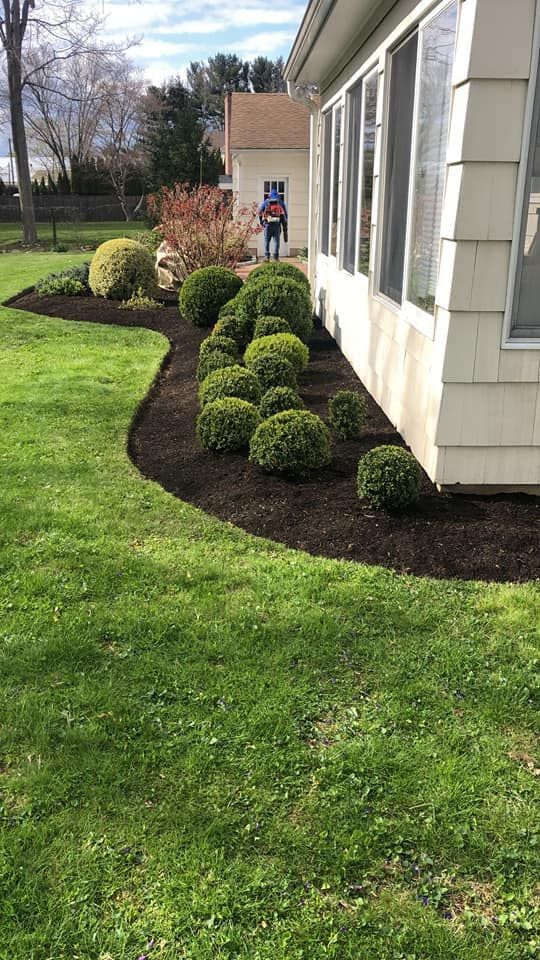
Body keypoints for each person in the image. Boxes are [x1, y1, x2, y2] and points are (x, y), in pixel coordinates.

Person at [258, 188, 288, 261]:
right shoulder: (280, 202)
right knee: (276, 241)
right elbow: (285, 215)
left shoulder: (266, 202)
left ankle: (266, 256)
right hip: (277, 225)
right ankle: (276, 257)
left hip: (267, 225)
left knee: (266, 241)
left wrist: (261, 222)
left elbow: (259, 212)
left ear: (269, 195)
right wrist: (284, 226)